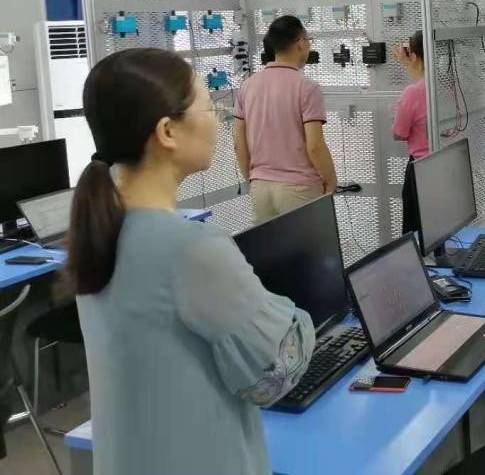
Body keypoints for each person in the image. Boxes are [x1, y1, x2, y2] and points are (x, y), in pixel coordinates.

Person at [68, 48, 314, 475]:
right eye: (209, 107)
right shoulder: (189, 248)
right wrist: (297, 315)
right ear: (167, 132)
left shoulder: (100, 230)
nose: (219, 118)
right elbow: (275, 373)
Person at [234, 15, 336, 224]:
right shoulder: (307, 87)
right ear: (300, 43)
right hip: (299, 189)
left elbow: (238, 143)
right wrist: (331, 180)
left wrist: (252, 178)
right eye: (308, 40)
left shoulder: (247, 86)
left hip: (261, 187)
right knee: (306, 246)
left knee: (271, 246)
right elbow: (315, 146)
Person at [392, 30, 430, 235]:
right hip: (445, 164)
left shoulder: (411, 93)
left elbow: (399, 133)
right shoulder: (448, 86)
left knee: (416, 231)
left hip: (420, 168)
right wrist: (409, 63)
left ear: (414, 55)